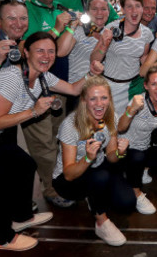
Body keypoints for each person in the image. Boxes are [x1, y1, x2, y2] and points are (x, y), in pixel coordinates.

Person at [0, 31, 99, 251]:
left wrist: (91, 72)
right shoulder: (10, 78)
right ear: (25, 52)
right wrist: (33, 111)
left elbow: (72, 89)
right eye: (40, 50)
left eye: (51, 51)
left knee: (25, 165)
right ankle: (4, 238)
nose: (47, 55)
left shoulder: (43, 76)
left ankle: (21, 216)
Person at [52, 76, 137, 246]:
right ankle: (101, 221)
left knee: (127, 203)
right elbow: (68, 174)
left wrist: (121, 152)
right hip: (69, 179)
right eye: (93, 98)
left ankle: (94, 197)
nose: (99, 104)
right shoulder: (71, 125)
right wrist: (88, 158)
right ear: (84, 101)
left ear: (110, 99)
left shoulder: (110, 117)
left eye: (104, 98)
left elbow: (111, 156)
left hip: (97, 168)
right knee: (101, 177)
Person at [21, 0, 79, 208]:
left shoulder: (59, 9)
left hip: (58, 87)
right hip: (34, 90)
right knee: (42, 144)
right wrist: (56, 27)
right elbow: (27, 48)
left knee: (56, 138)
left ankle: (57, 180)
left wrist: (72, 27)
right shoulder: (25, 11)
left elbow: (63, 49)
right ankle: (50, 188)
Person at [117, 66, 157, 207]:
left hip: (146, 147)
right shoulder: (138, 102)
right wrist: (131, 109)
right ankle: (137, 192)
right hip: (127, 149)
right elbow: (120, 127)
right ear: (146, 86)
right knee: (138, 157)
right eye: (153, 84)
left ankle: (141, 170)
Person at [94, 0, 154, 115]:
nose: (134, 11)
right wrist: (103, 45)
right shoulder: (111, 28)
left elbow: (143, 59)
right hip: (109, 86)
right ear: (122, 9)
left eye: (138, 6)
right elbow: (94, 59)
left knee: (127, 126)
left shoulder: (147, 33)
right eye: (129, 6)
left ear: (142, 8)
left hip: (132, 88)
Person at [56, 0, 112, 84]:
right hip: (78, 88)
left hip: (100, 87)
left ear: (108, 12)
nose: (99, 12)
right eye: (94, 9)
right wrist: (73, 26)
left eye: (103, 9)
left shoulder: (109, 33)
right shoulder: (78, 30)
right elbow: (60, 52)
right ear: (87, 12)